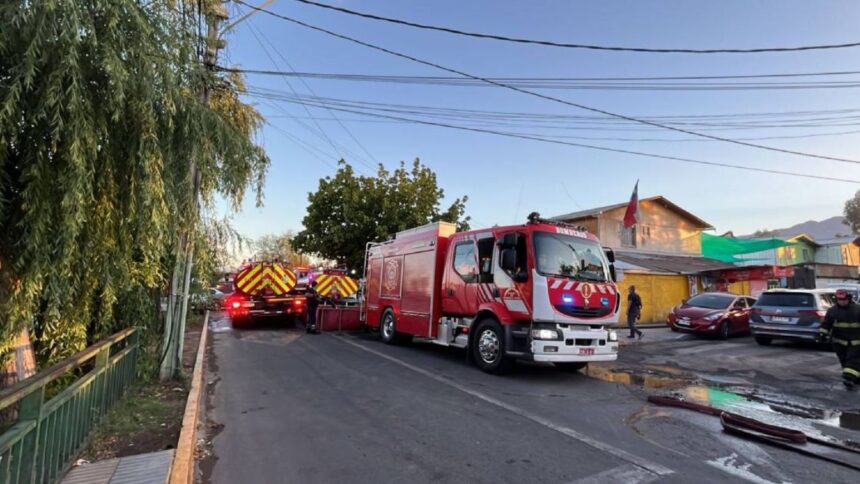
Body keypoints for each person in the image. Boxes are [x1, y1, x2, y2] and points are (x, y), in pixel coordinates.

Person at [820, 288, 860, 389]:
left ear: (849, 298)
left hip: (856, 343)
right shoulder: (832, 311)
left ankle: (849, 379)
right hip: (839, 343)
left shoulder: (857, 309)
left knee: (852, 361)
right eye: (839, 300)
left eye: (843, 299)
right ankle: (855, 379)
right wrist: (822, 334)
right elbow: (826, 324)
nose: (842, 302)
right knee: (845, 362)